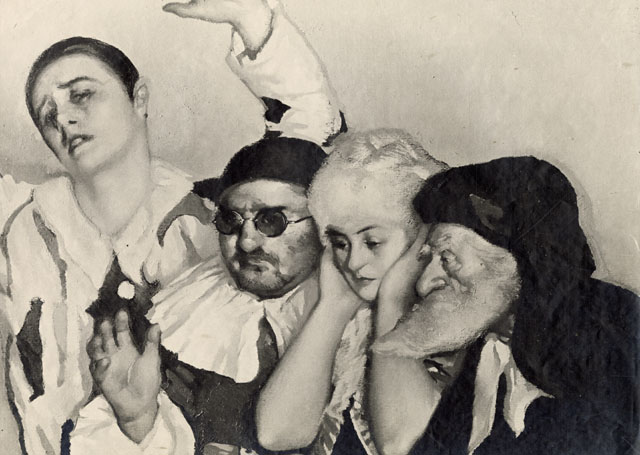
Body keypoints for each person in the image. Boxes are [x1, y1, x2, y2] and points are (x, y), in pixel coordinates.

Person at [0, 0, 343, 453]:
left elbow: (311, 140)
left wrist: (253, 20)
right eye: (47, 114)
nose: (63, 118)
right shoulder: (17, 229)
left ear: (139, 97)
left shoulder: (219, 219)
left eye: (81, 94)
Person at [369, 156, 640, 455]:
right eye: (428, 259)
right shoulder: (490, 346)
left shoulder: (608, 327)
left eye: (446, 258)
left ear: (512, 259)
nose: (424, 284)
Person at [77, 136, 328, 454]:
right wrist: (137, 422)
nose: (246, 242)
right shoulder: (179, 317)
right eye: (230, 220)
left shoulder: (348, 323)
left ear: (323, 224)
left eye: (270, 221)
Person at [255, 129, 447, 454]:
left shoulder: (451, 323)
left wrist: (394, 298)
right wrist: (333, 305)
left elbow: (402, 445)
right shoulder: (353, 322)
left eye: (372, 242)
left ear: (423, 239)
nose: (354, 262)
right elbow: (277, 434)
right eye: (341, 243)